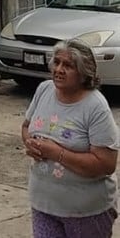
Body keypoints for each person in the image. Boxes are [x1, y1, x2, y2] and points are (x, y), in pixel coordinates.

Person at [22, 38, 119, 237]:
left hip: (86, 211)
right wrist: (29, 143)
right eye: (56, 62)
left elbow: (106, 164)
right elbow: (26, 126)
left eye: (68, 65)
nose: (59, 69)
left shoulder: (95, 107)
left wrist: (57, 153)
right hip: (44, 205)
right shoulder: (44, 90)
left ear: (84, 72)